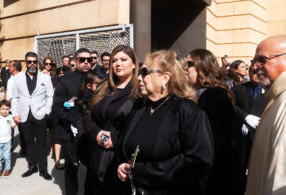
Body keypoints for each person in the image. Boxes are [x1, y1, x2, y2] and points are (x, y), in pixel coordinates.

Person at [117, 50, 213, 194]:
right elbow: (124, 145)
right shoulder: (139, 106)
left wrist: (141, 172)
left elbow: (197, 162)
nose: (138, 77)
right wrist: (121, 166)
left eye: (145, 72)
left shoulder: (188, 112)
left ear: (165, 78)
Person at [186, 49, 245, 195]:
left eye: (189, 64)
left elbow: (214, 140)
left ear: (203, 67)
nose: (185, 69)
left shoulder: (214, 95)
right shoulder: (203, 94)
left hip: (218, 177)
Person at [84, 45, 139, 195]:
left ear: (134, 63)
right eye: (114, 60)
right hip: (96, 155)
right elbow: (88, 113)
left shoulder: (139, 91)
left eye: (123, 59)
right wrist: (97, 133)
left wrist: (115, 138)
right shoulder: (103, 86)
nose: (118, 64)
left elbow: (139, 125)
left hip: (120, 158)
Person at [245, 35, 286, 195]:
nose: (254, 67)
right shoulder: (276, 97)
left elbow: (281, 177)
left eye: (262, 60)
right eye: (254, 61)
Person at [53, 48, 92, 194]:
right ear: (75, 61)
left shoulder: (98, 79)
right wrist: (74, 120)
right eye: (82, 59)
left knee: (92, 167)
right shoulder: (65, 81)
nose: (86, 62)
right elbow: (57, 107)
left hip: (92, 131)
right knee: (71, 169)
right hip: (70, 132)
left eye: (89, 59)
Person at [11, 52, 54, 180]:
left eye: (34, 61)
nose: (32, 64)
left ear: (37, 63)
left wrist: (47, 111)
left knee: (41, 143)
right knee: (29, 143)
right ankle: (32, 166)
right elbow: (15, 97)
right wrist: (15, 114)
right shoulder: (17, 78)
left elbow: (50, 95)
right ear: (25, 63)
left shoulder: (45, 77)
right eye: (29, 62)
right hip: (24, 115)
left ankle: (43, 169)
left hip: (40, 115)